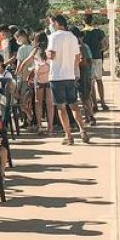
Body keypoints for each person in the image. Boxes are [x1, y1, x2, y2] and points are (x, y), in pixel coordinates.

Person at [47, 15, 90, 145]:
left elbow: (52, 55)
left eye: (52, 23)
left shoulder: (54, 36)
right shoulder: (72, 37)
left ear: (57, 23)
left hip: (57, 76)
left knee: (61, 107)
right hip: (69, 75)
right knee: (74, 105)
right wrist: (73, 68)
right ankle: (82, 130)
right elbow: (77, 56)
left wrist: (47, 53)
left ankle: (68, 135)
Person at [83, 15, 108, 111]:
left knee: (91, 82)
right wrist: (101, 49)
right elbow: (105, 44)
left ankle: (94, 104)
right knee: (99, 80)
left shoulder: (83, 33)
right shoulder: (99, 32)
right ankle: (102, 102)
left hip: (88, 59)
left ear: (83, 21)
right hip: (98, 57)